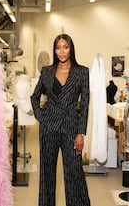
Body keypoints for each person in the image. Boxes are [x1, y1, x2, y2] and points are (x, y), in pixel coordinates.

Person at [31, 34, 90, 206]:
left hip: (71, 127)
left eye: (65, 47)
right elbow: (34, 97)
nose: (62, 51)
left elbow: (85, 104)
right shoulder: (47, 71)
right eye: (58, 47)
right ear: (54, 50)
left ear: (71, 49)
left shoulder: (82, 72)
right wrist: (41, 116)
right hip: (48, 127)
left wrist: (81, 132)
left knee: (75, 173)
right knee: (47, 173)